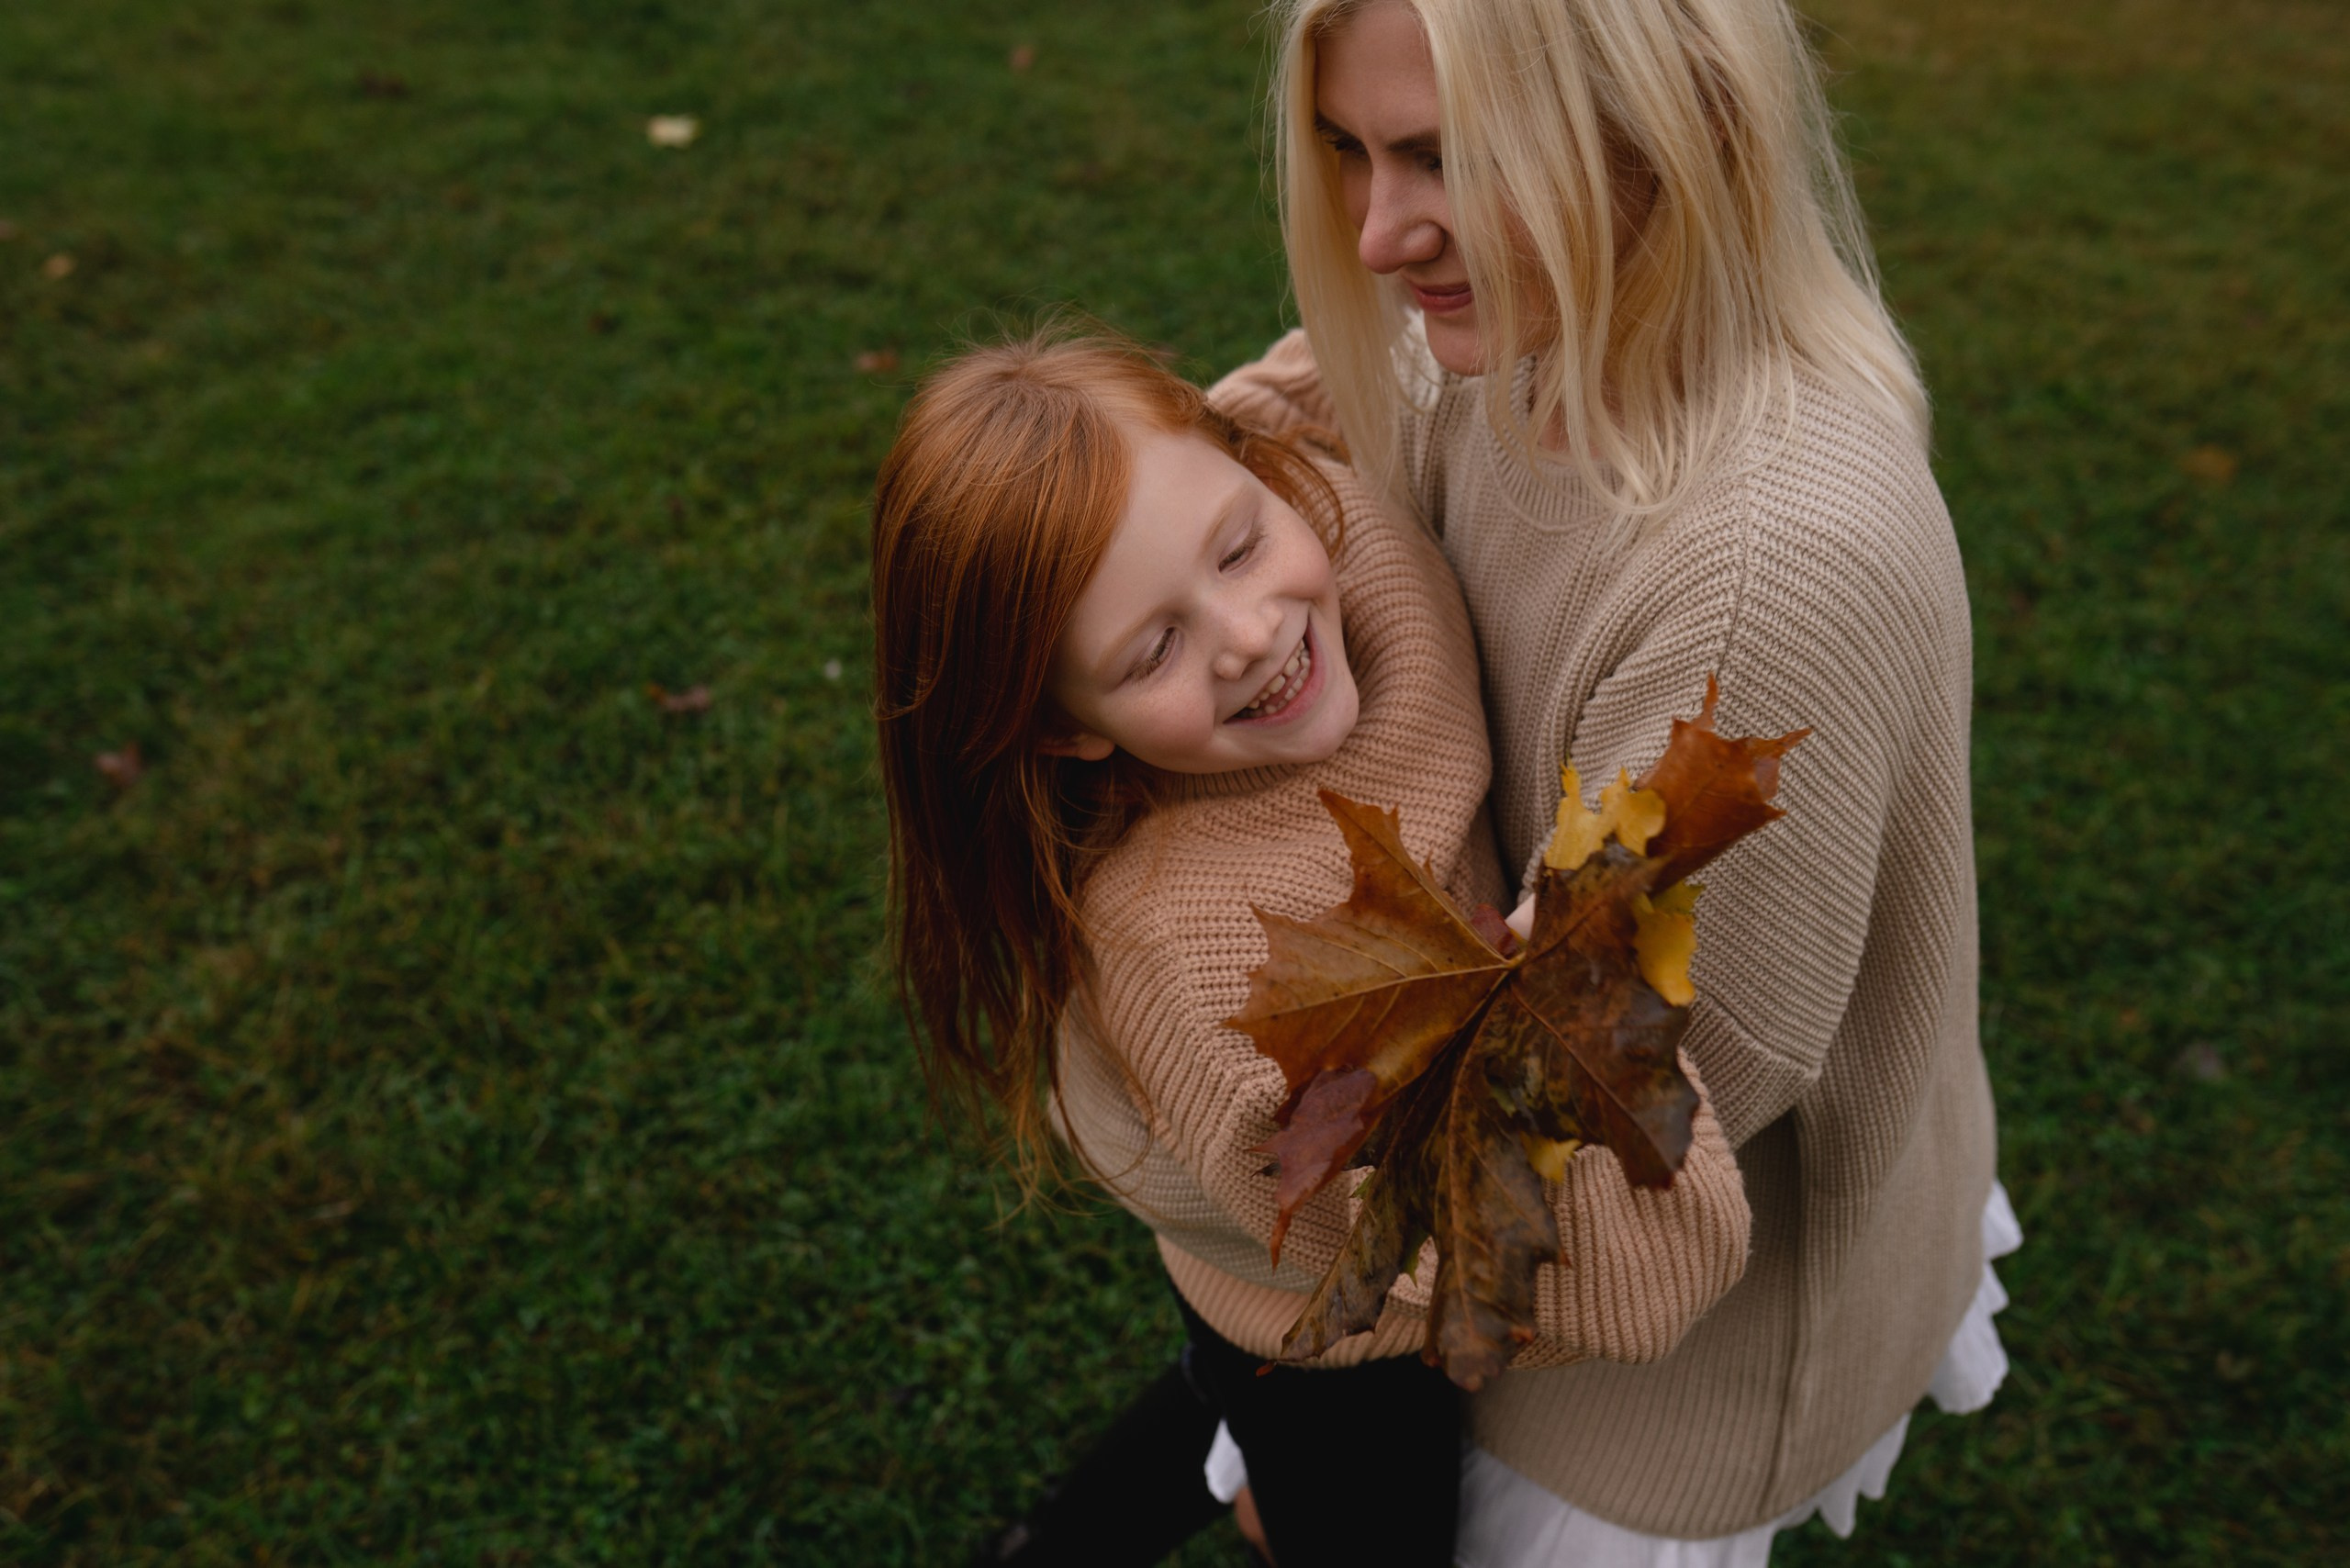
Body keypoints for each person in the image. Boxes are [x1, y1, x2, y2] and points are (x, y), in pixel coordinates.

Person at [1204, 0, 2020, 1560]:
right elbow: (1286, 415)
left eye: (1449, 158)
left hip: (1641, 1358)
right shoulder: (1512, 331)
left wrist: (1258, 1298)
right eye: (1350, 151)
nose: (1377, 237)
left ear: (1682, 132)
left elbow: (1577, 1139)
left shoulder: (1758, 581)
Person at [870, 327, 1754, 1567]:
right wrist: (1583, 980)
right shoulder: (1241, 976)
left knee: (1205, 1396)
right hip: (1336, 1344)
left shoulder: (1302, 497)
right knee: (1281, 1416)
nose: (1247, 632)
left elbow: (1315, 388)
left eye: (1233, 544)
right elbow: (1638, 1268)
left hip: (1254, 1261)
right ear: (1063, 733)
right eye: (1152, 650)